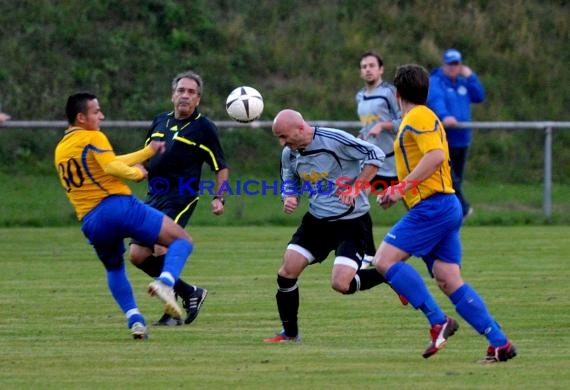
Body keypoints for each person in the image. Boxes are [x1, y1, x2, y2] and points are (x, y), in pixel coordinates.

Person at [373, 64, 516, 363]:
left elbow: (436, 157)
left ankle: (438, 321)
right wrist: (398, 190)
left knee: (384, 260)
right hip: (441, 206)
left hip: (434, 207)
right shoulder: (418, 117)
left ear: (397, 94)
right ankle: (499, 343)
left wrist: (401, 189)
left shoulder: (419, 115)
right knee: (449, 279)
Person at [54, 92, 195, 340]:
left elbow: (110, 160)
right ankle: (166, 281)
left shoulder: (62, 149)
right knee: (181, 240)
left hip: (91, 221)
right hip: (117, 206)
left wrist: (146, 152)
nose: (101, 115)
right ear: (80, 117)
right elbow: (111, 167)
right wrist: (137, 174)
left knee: (114, 267)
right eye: (96, 111)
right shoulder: (93, 136)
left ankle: (135, 320)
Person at [263, 109, 389, 343]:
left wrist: (356, 188)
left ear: (300, 129)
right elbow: (289, 178)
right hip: (317, 222)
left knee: (341, 284)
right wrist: (289, 196)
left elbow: (376, 153)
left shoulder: (334, 140)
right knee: (286, 272)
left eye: (283, 136)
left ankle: (388, 274)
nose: (282, 142)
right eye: (278, 138)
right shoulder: (289, 153)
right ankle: (290, 334)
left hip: (351, 222)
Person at [129, 70, 229, 326]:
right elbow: (146, 156)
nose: (185, 95)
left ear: (198, 100)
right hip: (154, 195)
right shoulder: (160, 121)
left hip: (181, 196)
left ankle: (170, 313)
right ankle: (189, 292)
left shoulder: (203, 128)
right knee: (137, 256)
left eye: (191, 92)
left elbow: (220, 166)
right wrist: (139, 169)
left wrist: (220, 197)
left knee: (163, 245)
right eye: (181, 90)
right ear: (173, 95)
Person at [356, 51, 401, 267]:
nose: (368, 69)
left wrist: (383, 126)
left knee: (417, 206)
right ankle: (369, 253)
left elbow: (403, 121)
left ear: (381, 69)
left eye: (372, 65)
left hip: (394, 162)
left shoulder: (389, 93)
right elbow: (367, 125)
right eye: (364, 66)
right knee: (358, 200)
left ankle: (434, 246)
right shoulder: (360, 96)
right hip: (373, 163)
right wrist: (360, 137)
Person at [427, 48, 485, 218]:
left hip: (463, 139)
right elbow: (435, 100)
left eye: (456, 64)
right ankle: (464, 209)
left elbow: (479, 96)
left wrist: (471, 76)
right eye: (450, 64)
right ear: (444, 64)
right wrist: (445, 116)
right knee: (450, 178)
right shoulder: (436, 81)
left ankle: (450, 213)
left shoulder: (463, 82)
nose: (453, 67)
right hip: (445, 139)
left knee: (455, 178)